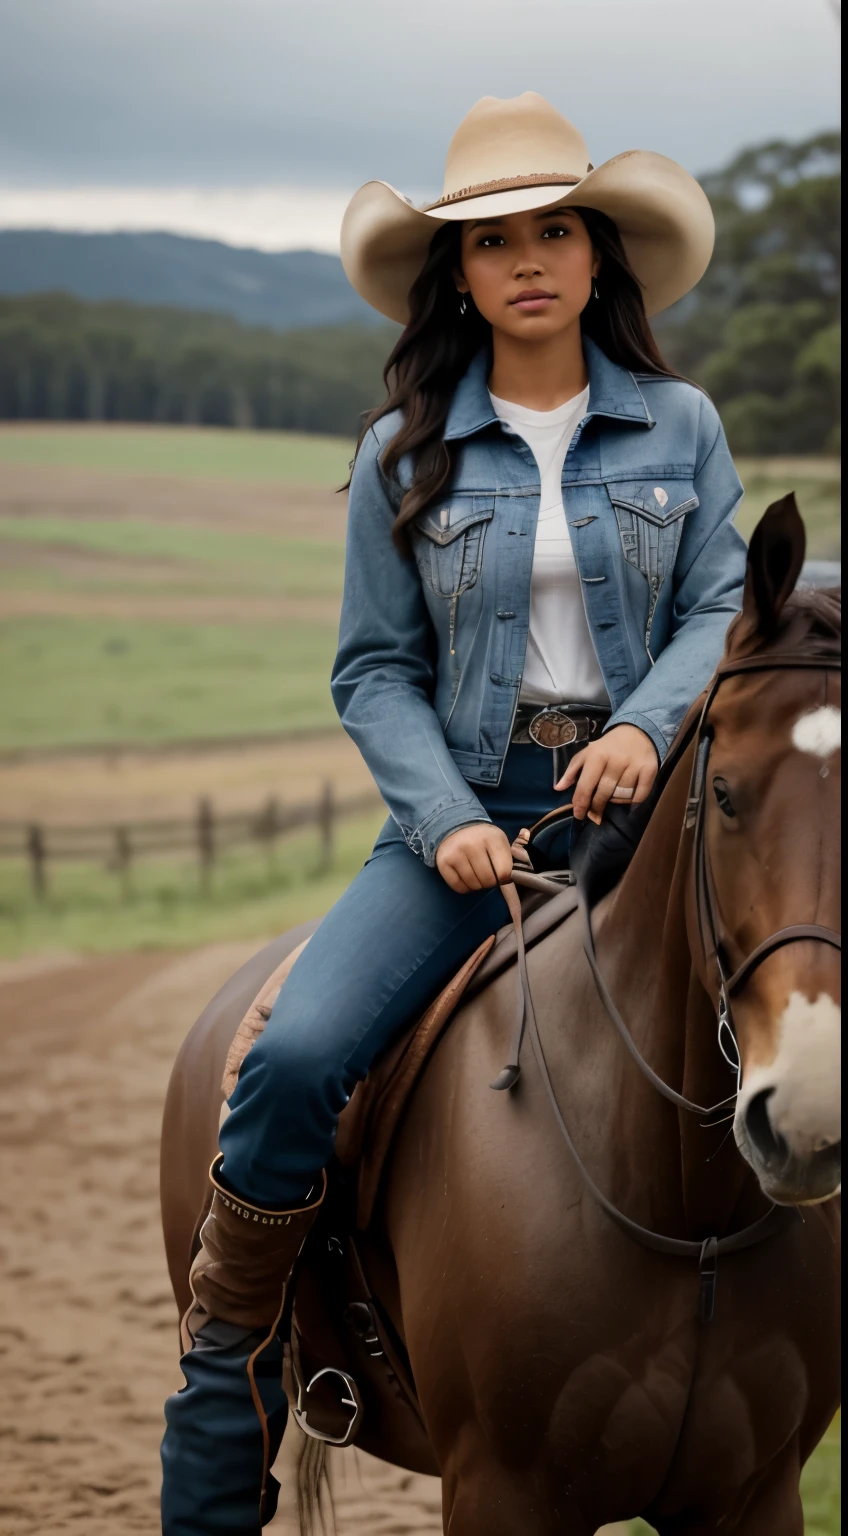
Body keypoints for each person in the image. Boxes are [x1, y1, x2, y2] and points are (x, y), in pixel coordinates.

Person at [161, 91, 746, 1533]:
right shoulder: (400, 455)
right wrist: (442, 819)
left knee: (804, 1000)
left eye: (556, 230)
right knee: (293, 1056)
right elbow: (373, 667)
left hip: (650, 807)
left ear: (600, 257)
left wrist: (640, 726)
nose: (529, 259)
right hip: (466, 820)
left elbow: (726, 601)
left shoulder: (684, 425)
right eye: (495, 242)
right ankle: (229, 1365)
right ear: (461, 275)